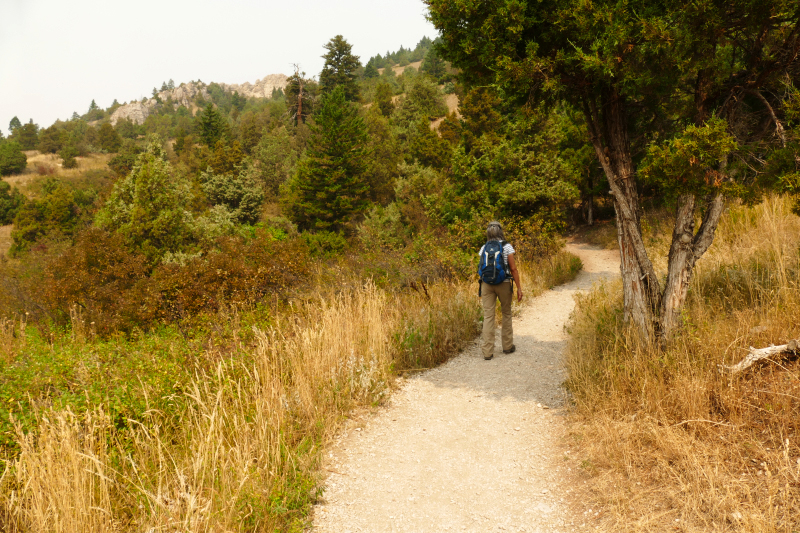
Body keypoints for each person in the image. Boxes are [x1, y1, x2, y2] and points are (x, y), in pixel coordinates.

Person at [479, 221, 523, 360]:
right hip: (503, 283)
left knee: (488, 316)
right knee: (506, 313)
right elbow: (514, 269)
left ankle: (487, 352)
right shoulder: (507, 247)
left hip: (486, 284)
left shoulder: (483, 248)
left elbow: (481, 268)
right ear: (500, 231)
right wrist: (519, 288)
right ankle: (507, 346)